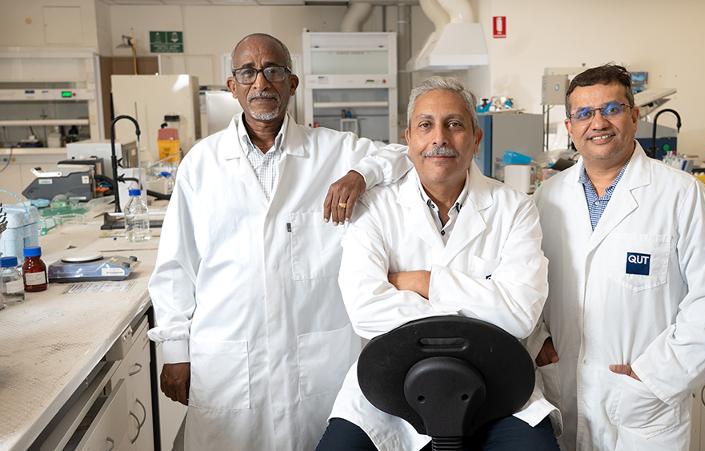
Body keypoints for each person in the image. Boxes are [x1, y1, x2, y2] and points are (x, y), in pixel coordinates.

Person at [147, 33, 410, 451]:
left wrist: (362, 175)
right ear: (232, 87)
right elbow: (177, 265)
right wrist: (175, 350)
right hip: (230, 352)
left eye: (273, 70)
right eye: (248, 72)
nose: (261, 83)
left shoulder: (336, 151)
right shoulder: (202, 163)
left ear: (292, 83)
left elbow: (405, 154)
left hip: (317, 352)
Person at [316, 76, 561, 451]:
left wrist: (424, 282)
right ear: (408, 140)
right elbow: (365, 309)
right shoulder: (375, 208)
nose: (440, 138)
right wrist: (479, 304)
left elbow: (520, 313)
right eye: (426, 125)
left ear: (476, 139)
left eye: (455, 124)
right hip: (389, 389)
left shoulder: (514, 209)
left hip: (497, 385)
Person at [531, 64, 705, 451]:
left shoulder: (683, 196)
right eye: (584, 113)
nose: (599, 123)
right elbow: (528, 284)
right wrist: (539, 340)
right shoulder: (547, 198)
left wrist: (657, 376)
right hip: (564, 388)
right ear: (570, 125)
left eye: (611, 108)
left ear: (634, 115)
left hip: (645, 403)